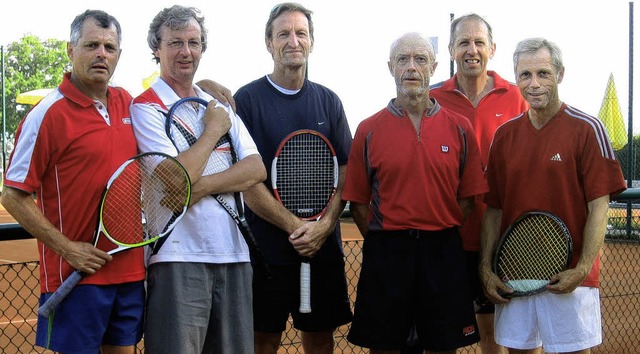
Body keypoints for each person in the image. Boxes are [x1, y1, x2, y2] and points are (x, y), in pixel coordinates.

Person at [1, 10, 144, 354]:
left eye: (110, 47)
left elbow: (172, 96)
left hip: (130, 273)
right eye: (92, 45)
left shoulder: (128, 102)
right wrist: (68, 248)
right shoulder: (47, 114)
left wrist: (208, 86)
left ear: (119, 55)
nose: (101, 54)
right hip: (76, 276)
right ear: (71, 50)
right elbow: (13, 196)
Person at [129, 5, 266, 353]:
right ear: (156, 49)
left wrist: (198, 188)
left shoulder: (216, 102)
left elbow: (255, 169)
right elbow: (177, 179)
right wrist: (213, 132)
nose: (185, 51)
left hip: (235, 255)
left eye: (193, 42)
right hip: (176, 256)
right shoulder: (145, 107)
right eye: (175, 42)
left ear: (203, 47)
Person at [479, 38, 626, 353]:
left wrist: (583, 267)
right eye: (525, 75)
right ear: (516, 78)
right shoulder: (504, 137)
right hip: (515, 273)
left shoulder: (588, 129)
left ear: (560, 74)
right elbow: (494, 210)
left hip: (569, 276)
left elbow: (599, 207)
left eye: (543, 73)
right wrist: (486, 268)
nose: (534, 84)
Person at [343, 32, 486, 354]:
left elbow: (467, 200)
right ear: (391, 67)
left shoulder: (460, 127)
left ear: (434, 66)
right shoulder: (368, 129)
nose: (412, 67)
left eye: (420, 59)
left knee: (443, 346)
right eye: (403, 60)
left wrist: (438, 230)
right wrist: (387, 241)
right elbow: (360, 204)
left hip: (443, 252)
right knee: (386, 347)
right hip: (388, 254)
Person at [233, 3, 353, 353]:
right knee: (262, 340)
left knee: (320, 338)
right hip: (265, 250)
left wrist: (324, 226)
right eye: (283, 33)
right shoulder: (248, 100)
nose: (293, 41)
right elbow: (248, 181)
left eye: (301, 33)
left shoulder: (328, 101)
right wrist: (295, 227)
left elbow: (344, 173)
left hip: (321, 246)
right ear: (268, 42)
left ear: (311, 42)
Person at [423, 13, 529, 354]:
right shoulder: (431, 98)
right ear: (452, 49)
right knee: (445, 336)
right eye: (464, 42)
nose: (472, 50)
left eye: (479, 42)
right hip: (451, 239)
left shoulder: (516, 97)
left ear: (492, 48)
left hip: (508, 239)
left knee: (513, 337)